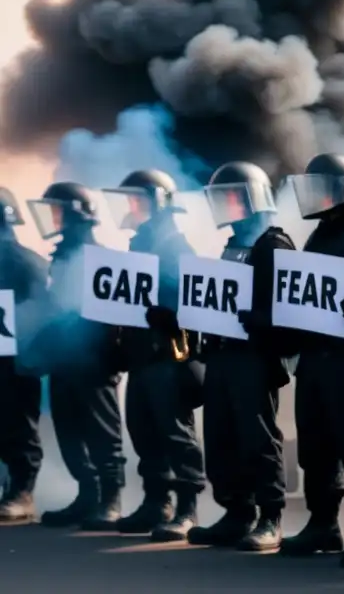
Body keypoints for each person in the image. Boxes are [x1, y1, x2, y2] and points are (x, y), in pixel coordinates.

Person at [263, 154, 344, 563]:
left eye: (319, 188)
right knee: (315, 451)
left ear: (340, 192)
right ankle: (324, 524)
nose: (311, 197)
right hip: (313, 362)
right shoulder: (317, 238)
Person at [178, 161, 294, 552]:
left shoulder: (273, 244)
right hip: (223, 357)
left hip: (253, 358)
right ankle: (236, 511)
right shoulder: (233, 245)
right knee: (222, 437)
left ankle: (270, 517)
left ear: (252, 198)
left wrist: (258, 319)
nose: (226, 205)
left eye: (233, 196)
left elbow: (290, 308)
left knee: (257, 438)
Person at [100, 170, 205, 541]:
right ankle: (155, 503)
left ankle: (187, 509)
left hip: (168, 359)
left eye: (137, 199)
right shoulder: (139, 245)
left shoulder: (176, 246)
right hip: (141, 358)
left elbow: (194, 300)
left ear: (158, 202)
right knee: (143, 432)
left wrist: (172, 316)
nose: (130, 207)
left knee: (176, 434)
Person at [26, 182, 126, 530]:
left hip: (94, 364)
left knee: (102, 433)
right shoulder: (62, 258)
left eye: (58, 210)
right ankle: (88, 495)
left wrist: (107, 355)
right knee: (69, 432)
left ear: (76, 215)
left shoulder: (101, 259)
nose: (52, 218)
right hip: (65, 362)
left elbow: (113, 319)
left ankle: (110, 499)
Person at [0, 187, 49, 523]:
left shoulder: (24, 262)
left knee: (17, 424)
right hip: (14, 359)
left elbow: (41, 313)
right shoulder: (27, 259)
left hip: (14, 360)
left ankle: (21, 492)